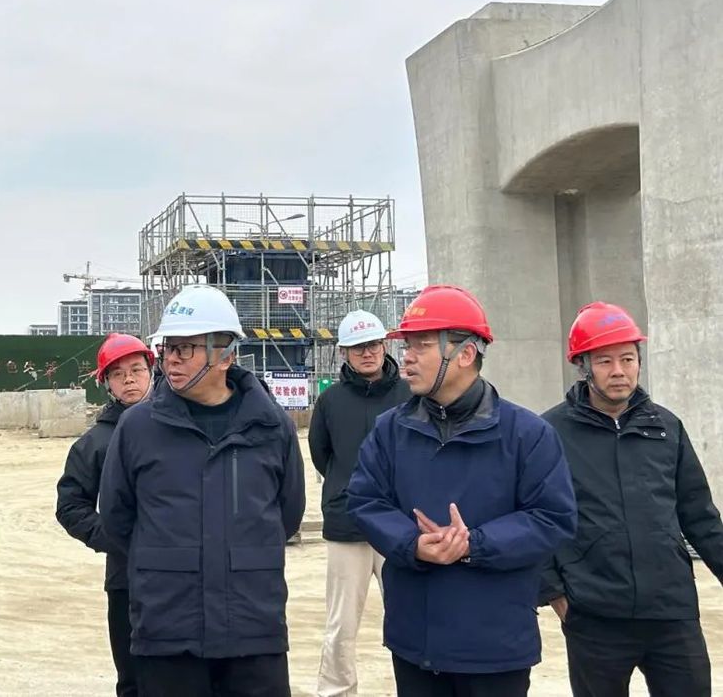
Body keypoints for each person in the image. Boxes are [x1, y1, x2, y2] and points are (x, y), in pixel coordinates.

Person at [346, 285, 577, 697]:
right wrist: (412, 544)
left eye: (421, 345)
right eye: (407, 345)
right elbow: (365, 501)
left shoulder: (527, 434)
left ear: (465, 354)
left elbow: (552, 517)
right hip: (416, 642)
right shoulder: (390, 431)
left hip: (496, 646)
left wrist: (473, 544)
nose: (406, 357)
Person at [99, 284, 305, 697]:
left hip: (252, 628)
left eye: (185, 348)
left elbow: (287, 513)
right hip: (168, 629)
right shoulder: (138, 428)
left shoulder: (270, 425)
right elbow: (118, 519)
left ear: (225, 355)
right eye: (167, 348)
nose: (171, 359)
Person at [540, 301, 723, 697]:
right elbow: (535, 517)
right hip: (595, 614)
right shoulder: (550, 433)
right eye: (604, 361)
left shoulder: (666, 427)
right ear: (584, 367)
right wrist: (554, 593)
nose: (619, 371)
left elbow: (699, 515)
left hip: (671, 610)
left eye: (627, 358)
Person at [310, 310, 411, 697]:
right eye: (357, 347)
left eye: (372, 345)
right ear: (343, 353)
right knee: (341, 624)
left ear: (384, 346)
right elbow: (321, 454)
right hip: (346, 523)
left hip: (399, 525)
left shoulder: (409, 395)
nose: (366, 353)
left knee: (408, 617)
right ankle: (336, 690)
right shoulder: (330, 401)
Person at [57, 333, 155, 697]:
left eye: (136, 370)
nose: (129, 379)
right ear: (106, 384)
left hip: (186, 577)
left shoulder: (180, 425)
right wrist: (114, 537)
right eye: (117, 374)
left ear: (152, 372)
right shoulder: (96, 443)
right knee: (133, 678)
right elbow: (70, 505)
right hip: (126, 579)